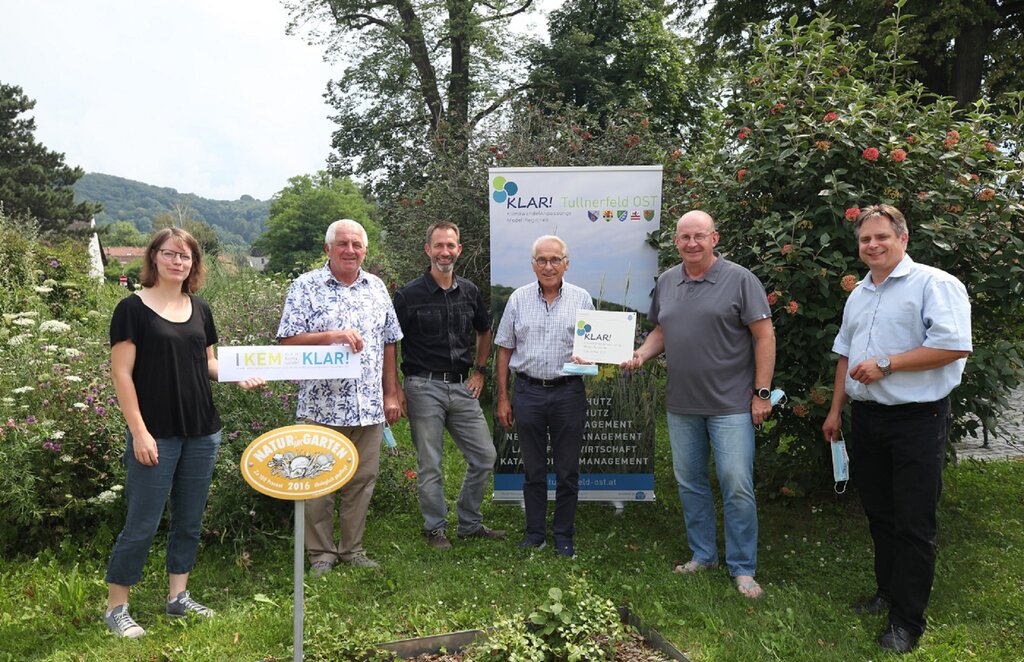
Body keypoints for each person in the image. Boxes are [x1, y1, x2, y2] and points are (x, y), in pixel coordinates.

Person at [822, 204, 971, 654]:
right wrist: (835, 411)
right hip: (868, 420)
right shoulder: (860, 294)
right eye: (865, 239)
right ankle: (887, 594)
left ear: (902, 239)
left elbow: (953, 346)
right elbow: (846, 355)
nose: (872, 245)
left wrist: (888, 364)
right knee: (881, 515)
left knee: (913, 523)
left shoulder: (934, 284)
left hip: (916, 422)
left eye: (881, 237)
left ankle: (907, 622)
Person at [104, 228, 265, 638]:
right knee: (142, 522)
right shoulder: (132, 309)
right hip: (155, 433)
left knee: (189, 520)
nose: (179, 261)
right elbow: (121, 374)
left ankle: (178, 597)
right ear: (154, 257)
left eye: (186, 256)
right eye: (171, 254)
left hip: (201, 432)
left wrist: (238, 373)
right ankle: (117, 606)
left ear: (194, 264)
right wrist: (139, 432)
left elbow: (207, 364)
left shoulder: (200, 308)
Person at [622, 210, 775, 599]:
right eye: (684, 237)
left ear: (714, 238)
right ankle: (704, 554)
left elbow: (764, 336)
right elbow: (661, 329)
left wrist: (761, 392)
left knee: (736, 484)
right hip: (682, 403)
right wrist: (641, 355)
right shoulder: (669, 281)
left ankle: (742, 567)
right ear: (676, 241)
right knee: (690, 482)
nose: (691, 243)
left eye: (699, 236)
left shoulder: (741, 280)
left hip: (731, 405)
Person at [276, 218, 403, 574]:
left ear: (365, 250)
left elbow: (390, 340)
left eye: (357, 245)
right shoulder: (306, 286)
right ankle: (320, 554)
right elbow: (287, 340)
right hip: (321, 406)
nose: (350, 250)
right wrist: (330, 336)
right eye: (343, 244)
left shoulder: (376, 287)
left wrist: (391, 392)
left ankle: (352, 549)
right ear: (328, 248)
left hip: (368, 406)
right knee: (317, 482)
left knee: (362, 481)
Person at [393, 222, 506, 549]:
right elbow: (389, 342)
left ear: (459, 249)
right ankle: (435, 528)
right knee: (431, 464)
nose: (445, 252)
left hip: (461, 387)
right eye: (439, 245)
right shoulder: (408, 295)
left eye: (451, 246)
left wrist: (480, 370)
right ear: (428, 250)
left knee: (485, 456)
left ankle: (470, 523)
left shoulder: (469, 291)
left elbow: (484, 331)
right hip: (422, 387)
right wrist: (396, 389)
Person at [495, 235, 594, 558]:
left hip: (568, 393)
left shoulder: (582, 299)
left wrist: (590, 359)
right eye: (542, 260)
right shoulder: (518, 299)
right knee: (534, 470)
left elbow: (593, 349)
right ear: (533, 264)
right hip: (528, 392)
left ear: (566, 263)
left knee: (567, 471)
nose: (548, 266)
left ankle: (564, 535)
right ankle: (535, 533)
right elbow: (505, 349)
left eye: (555, 260)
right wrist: (503, 398)